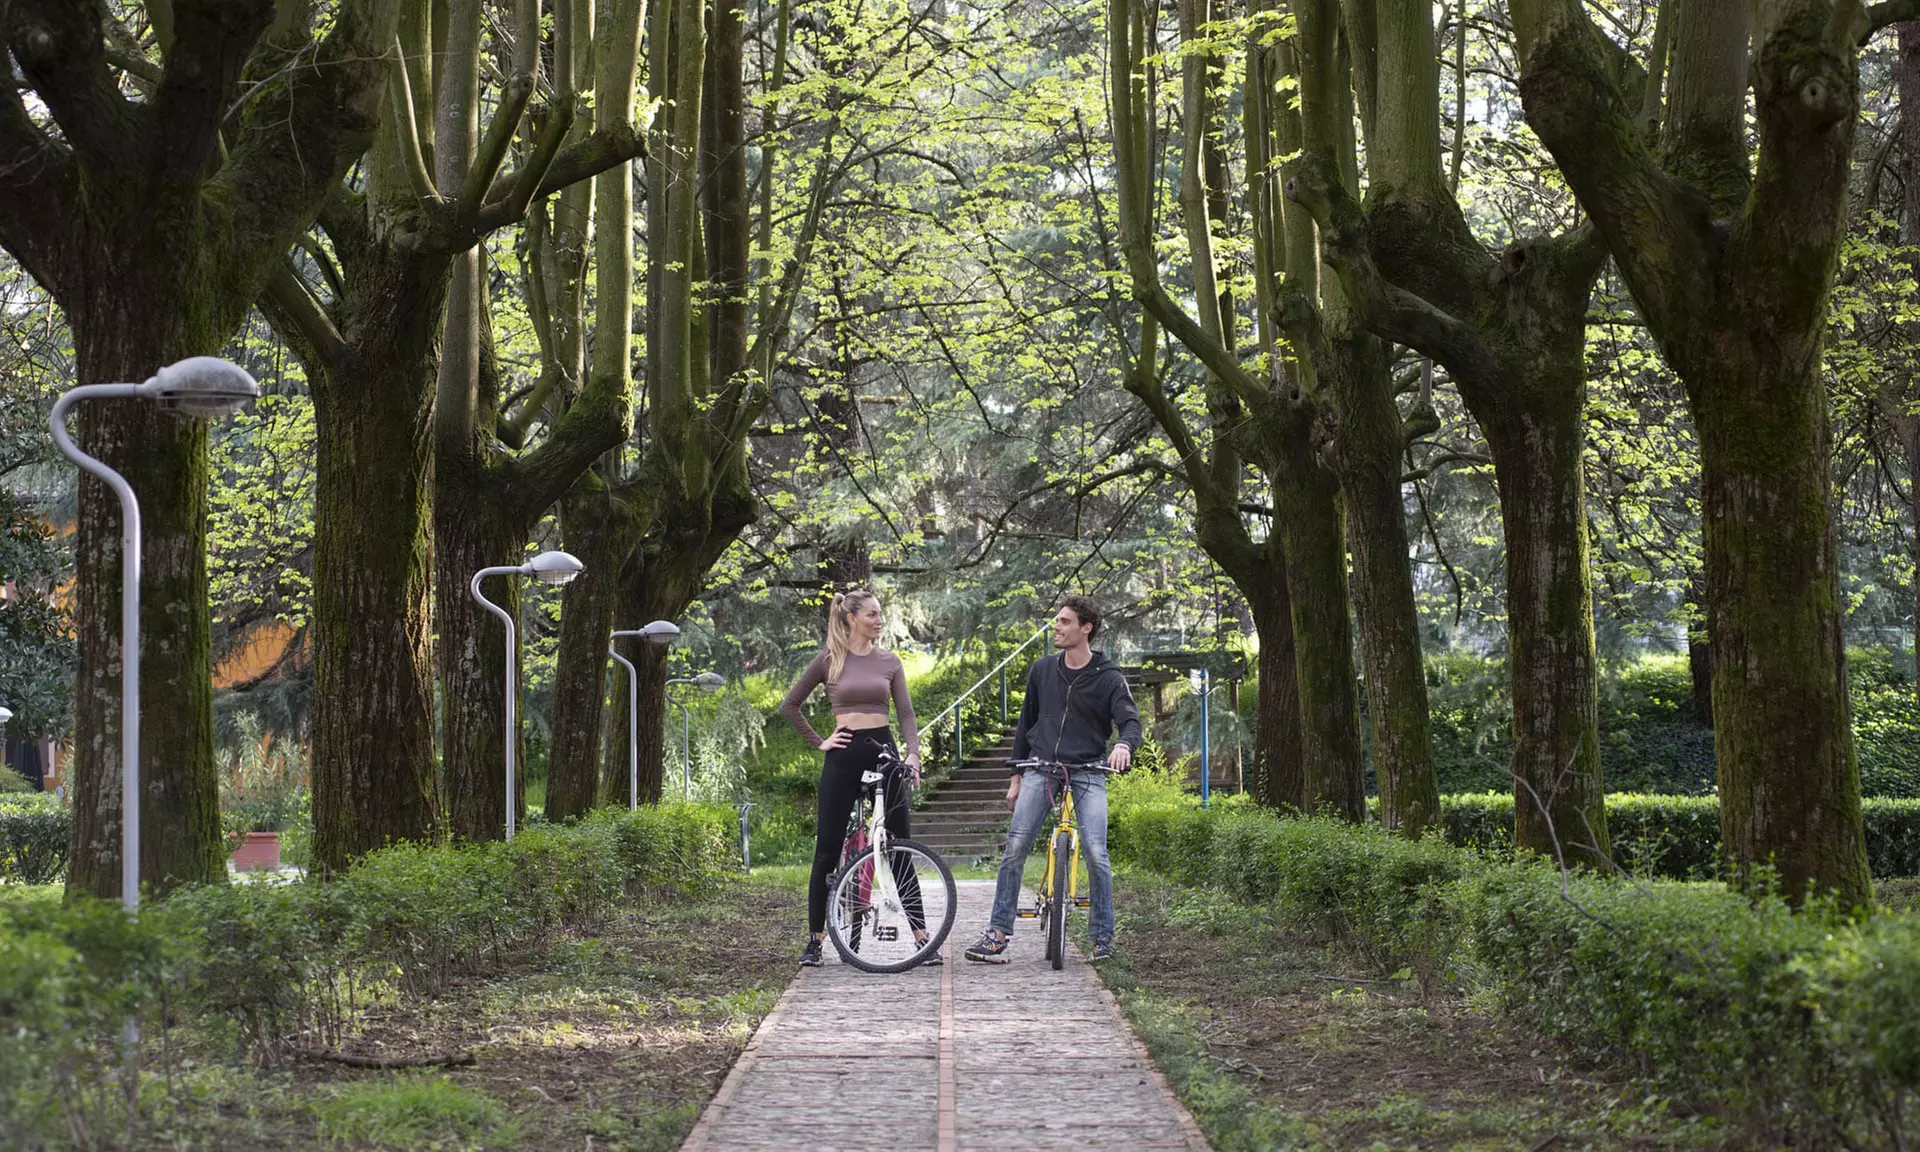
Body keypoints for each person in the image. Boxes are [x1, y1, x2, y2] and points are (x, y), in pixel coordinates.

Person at [964, 595, 1139, 965]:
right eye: (1056, 621)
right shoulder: (1042, 670)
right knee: (1015, 847)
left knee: (1096, 852)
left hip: (1089, 769)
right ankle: (996, 935)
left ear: (1085, 628)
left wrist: (1123, 744)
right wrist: (1015, 776)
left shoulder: (1109, 678)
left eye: (1064, 621)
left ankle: (1102, 940)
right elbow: (1025, 726)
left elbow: (1130, 722)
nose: (1055, 627)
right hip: (1041, 766)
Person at [778, 589, 931, 967]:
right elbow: (790, 705)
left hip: (883, 750)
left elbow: (907, 715)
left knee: (900, 847)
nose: (879, 620)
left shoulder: (889, 661)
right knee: (827, 850)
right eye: (872, 615)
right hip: (842, 754)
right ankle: (815, 941)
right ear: (852, 618)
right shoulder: (829, 659)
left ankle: (922, 937)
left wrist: (912, 754)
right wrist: (820, 741)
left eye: (881, 614)